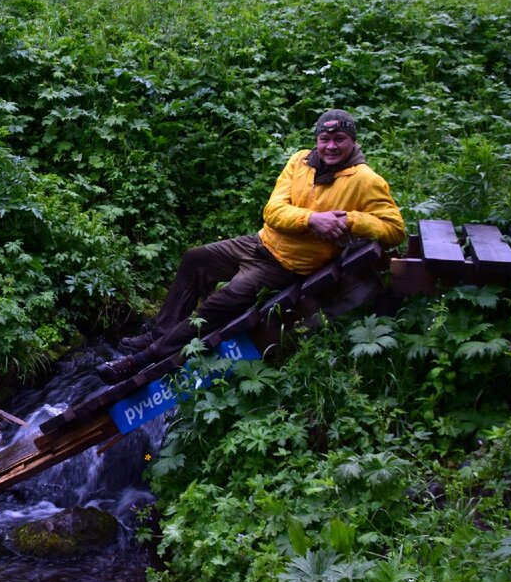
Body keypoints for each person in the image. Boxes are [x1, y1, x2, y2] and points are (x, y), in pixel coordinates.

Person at [97, 109, 405, 384]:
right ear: (317, 140)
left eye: (339, 139)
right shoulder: (300, 161)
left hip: (285, 266)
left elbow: (394, 229)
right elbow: (273, 211)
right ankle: (161, 331)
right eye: (325, 138)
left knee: (220, 303)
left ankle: (144, 358)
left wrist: (351, 221)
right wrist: (313, 220)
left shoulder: (365, 180)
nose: (331, 146)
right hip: (259, 243)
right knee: (196, 259)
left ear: (352, 141)